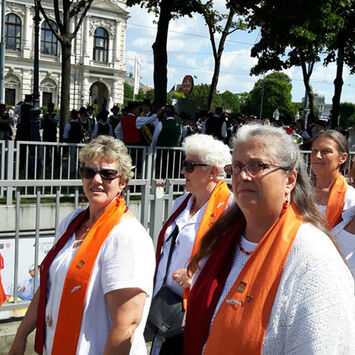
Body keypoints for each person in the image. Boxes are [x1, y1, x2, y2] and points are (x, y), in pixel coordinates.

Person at [184, 124, 355, 354]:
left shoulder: (314, 257)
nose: (243, 175)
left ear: (290, 180)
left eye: (257, 166)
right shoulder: (223, 239)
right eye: (237, 166)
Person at [9, 136, 155, 355]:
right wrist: (21, 336)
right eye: (88, 172)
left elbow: (127, 325)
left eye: (107, 174)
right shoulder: (72, 221)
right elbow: (48, 285)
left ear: (122, 182)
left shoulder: (127, 236)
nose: (96, 180)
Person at [149, 134, 232, 353]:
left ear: (213, 171)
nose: (182, 171)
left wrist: (198, 278)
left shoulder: (231, 209)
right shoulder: (181, 202)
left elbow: (234, 263)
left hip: (195, 311)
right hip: (165, 306)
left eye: (189, 166)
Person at [311, 129, 355, 229]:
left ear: (343, 158)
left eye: (326, 151)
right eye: (314, 151)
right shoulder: (298, 191)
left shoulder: (351, 199)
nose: (317, 156)